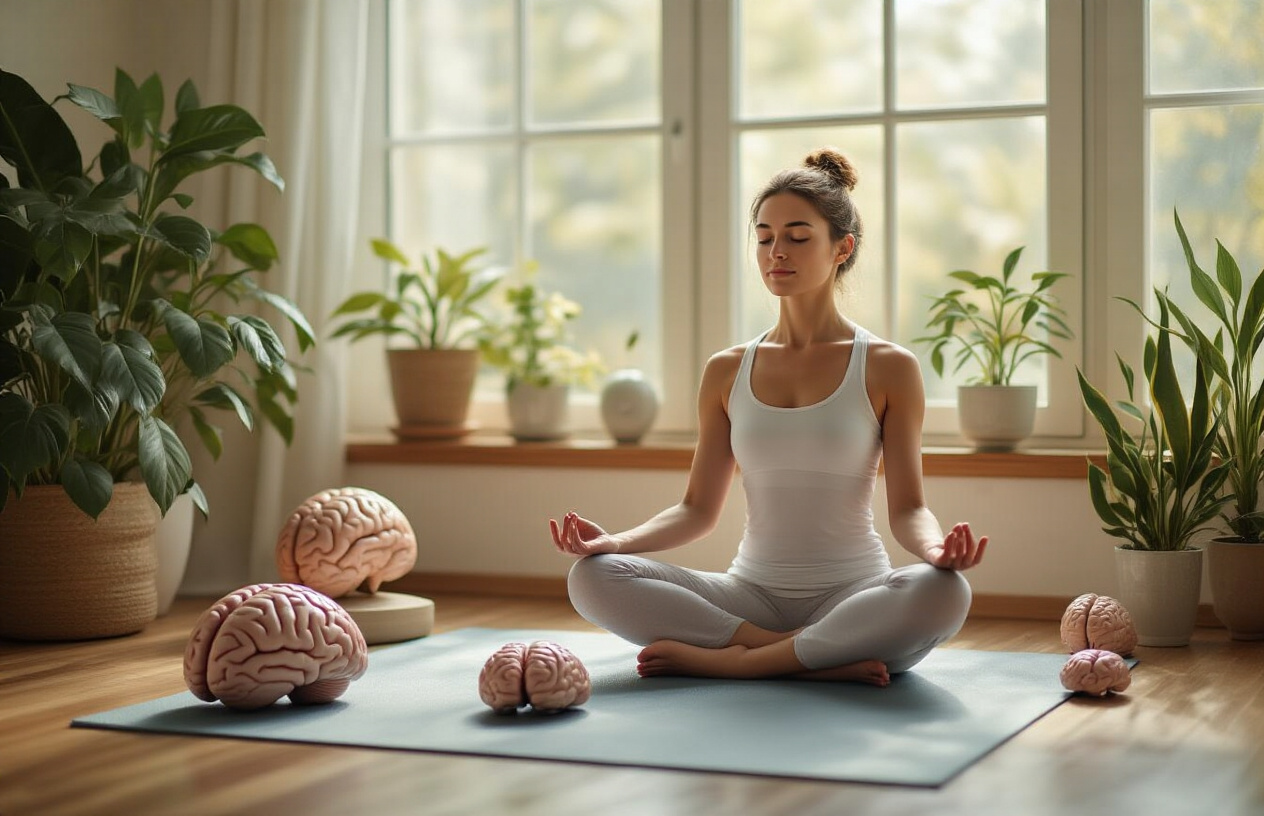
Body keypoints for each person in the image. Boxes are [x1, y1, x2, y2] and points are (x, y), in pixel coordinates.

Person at [549, 147, 987, 686]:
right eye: (763, 237)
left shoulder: (889, 367)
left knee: (945, 591)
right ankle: (802, 657)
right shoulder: (727, 370)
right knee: (590, 578)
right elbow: (695, 510)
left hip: (854, 595)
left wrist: (937, 550)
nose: (776, 252)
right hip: (748, 598)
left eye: (798, 237)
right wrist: (614, 542)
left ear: (841, 248)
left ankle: (737, 662)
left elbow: (909, 508)